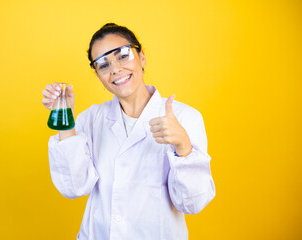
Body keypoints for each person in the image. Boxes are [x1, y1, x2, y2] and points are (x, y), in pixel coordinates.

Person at [42, 23, 215, 240]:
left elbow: (192, 203)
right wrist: (65, 121)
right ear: (98, 75)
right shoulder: (92, 118)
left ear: (142, 57)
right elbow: (74, 188)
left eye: (123, 55)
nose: (115, 69)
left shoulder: (184, 118)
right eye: (103, 65)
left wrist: (183, 147)